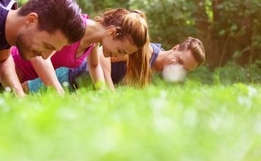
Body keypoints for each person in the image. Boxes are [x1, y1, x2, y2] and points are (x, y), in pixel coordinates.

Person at [0, 9, 151, 94]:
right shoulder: (74, 26)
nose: (119, 57)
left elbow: (95, 66)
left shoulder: (92, 43)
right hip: (3, 64)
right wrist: (58, 91)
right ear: (112, 32)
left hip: (13, 79)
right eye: (120, 50)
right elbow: (39, 56)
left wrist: (104, 95)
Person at [24, 37, 206, 93]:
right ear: (174, 48)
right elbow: (103, 57)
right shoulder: (146, 52)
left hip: (79, 86)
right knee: (20, 89)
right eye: (179, 61)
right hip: (71, 75)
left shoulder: (155, 67)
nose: (178, 68)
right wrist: (109, 95)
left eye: (185, 69)